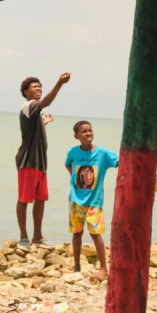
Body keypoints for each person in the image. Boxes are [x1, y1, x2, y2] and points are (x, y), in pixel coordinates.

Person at [15, 72, 71, 249]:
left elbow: (32, 131)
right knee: (24, 199)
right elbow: (45, 102)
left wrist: (44, 123)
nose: (39, 89)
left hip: (40, 163)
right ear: (26, 92)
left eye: (40, 86)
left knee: (40, 199)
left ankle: (37, 237)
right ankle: (23, 237)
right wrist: (59, 83)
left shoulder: (35, 114)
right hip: (28, 161)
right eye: (34, 87)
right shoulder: (29, 105)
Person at [64, 121, 119, 280]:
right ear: (76, 136)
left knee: (96, 234)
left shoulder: (102, 153)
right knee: (77, 233)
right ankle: (76, 266)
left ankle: (103, 268)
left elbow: (120, 162)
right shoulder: (73, 152)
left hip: (94, 201)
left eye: (90, 130)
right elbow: (68, 164)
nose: (88, 133)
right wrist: (74, 177)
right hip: (75, 200)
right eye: (83, 131)